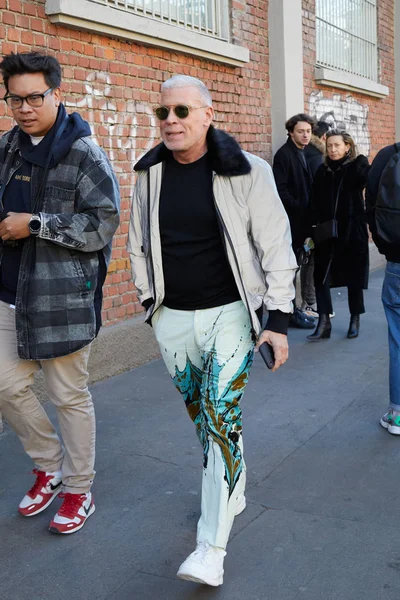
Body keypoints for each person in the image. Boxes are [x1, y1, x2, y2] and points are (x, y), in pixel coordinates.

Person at [128, 75, 297, 587]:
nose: (171, 121)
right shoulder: (149, 174)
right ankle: (232, 482)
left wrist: (279, 322)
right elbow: (137, 243)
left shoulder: (247, 171)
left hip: (230, 315)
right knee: (205, 421)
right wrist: (148, 302)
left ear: (207, 114)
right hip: (172, 318)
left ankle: (211, 548)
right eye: (163, 113)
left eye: (182, 111)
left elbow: (276, 247)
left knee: (221, 418)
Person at [0, 52, 120, 534]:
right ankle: (48, 465)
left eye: (35, 97)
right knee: (6, 385)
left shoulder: (83, 152)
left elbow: (102, 224)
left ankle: (78, 490)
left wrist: (35, 225)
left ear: (57, 94)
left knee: (69, 395)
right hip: (9, 295)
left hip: (62, 299)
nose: (25, 107)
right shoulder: (6, 147)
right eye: (15, 98)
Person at [308, 129, 369, 341]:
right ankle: (324, 322)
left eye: (337, 145)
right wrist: (312, 230)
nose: (333, 149)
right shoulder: (321, 171)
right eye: (330, 146)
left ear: (347, 147)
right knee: (321, 277)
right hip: (326, 233)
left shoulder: (355, 168)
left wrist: (360, 159)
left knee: (354, 277)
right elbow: (313, 201)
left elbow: (365, 179)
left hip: (352, 232)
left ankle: (355, 319)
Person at [366, 142, 400, 435]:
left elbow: (371, 204)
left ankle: (398, 414)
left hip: (397, 263)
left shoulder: (388, 155)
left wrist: (384, 246)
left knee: (398, 339)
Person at [273, 113, 316, 328]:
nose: (306, 135)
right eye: (301, 131)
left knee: (297, 265)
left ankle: (294, 309)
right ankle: (288, 313)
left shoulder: (301, 152)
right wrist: (299, 206)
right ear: (291, 132)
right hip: (291, 221)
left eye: (308, 131)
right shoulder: (285, 154)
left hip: (301, 221)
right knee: (289, 268)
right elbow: (280, 190)